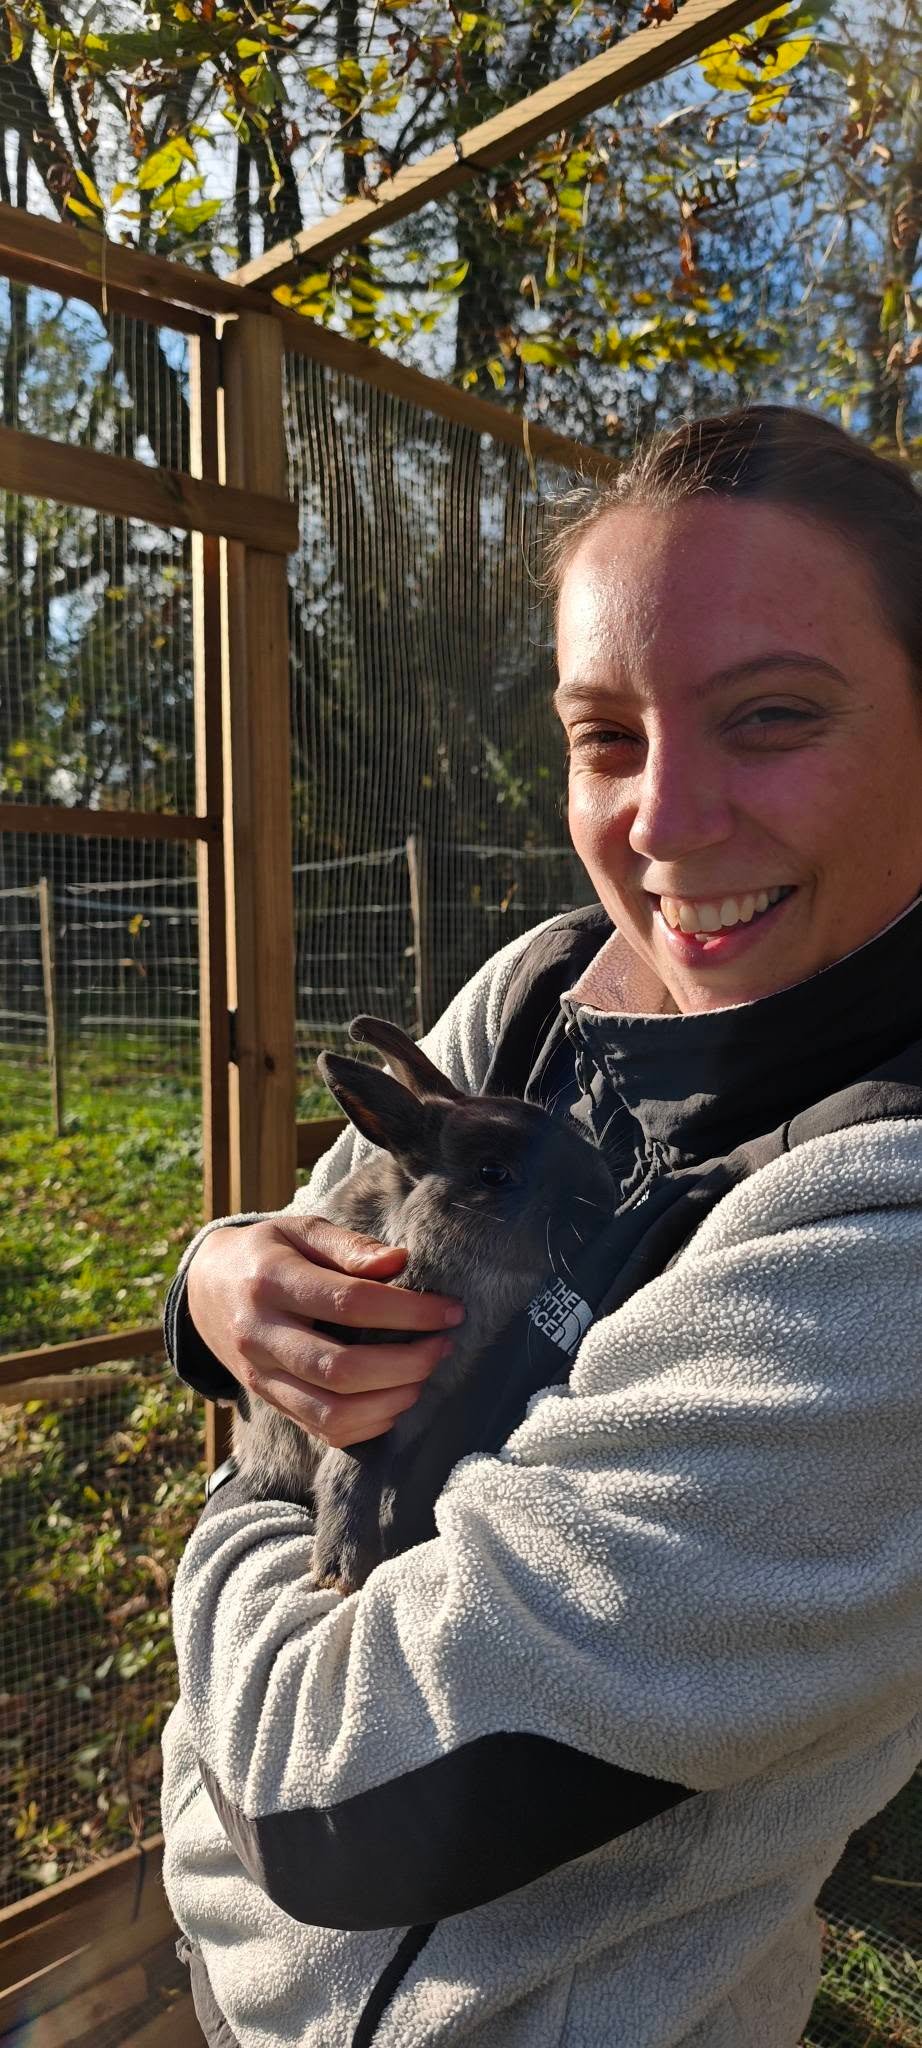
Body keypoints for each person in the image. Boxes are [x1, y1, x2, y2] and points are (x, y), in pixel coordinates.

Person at [161, 405, 922, 2048]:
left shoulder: (889, 1236)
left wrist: (244, 1487)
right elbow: (302, 1265)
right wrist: (219, 1287)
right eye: (604, 735)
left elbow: (322, 1798)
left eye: (771, 716)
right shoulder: (542, 994)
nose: (664, 822)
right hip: (234, 1991)